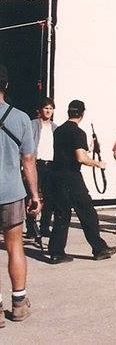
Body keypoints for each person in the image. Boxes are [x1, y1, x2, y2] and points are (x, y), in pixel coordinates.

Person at [48, 99, 116, 264]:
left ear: (69, 112)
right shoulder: (78, 132)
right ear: (82, 113)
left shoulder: (58, 130)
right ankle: (99, 248)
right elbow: (80, 157)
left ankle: (56, 252)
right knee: (88, 214)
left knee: (62, 215)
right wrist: (97, 163)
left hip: (57, 176)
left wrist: (90, 148)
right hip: (72, 177)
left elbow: (70, 151)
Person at [0, 63, 41, 323]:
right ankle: (18, 303)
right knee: (14, 246)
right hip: (12, 192)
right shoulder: (20, 117)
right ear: (5, 85)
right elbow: (28, 160)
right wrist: (35, 195)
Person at [28, 97, 57, 245]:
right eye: (46, 108)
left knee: (50, 197)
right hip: (36, 164)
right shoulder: (33, 125)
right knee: (34, 196)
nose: (48, 111)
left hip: (50, 165)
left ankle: (45, 226)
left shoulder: (55, 128)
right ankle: (32, 228)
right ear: (40, 110)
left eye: (51, 109)